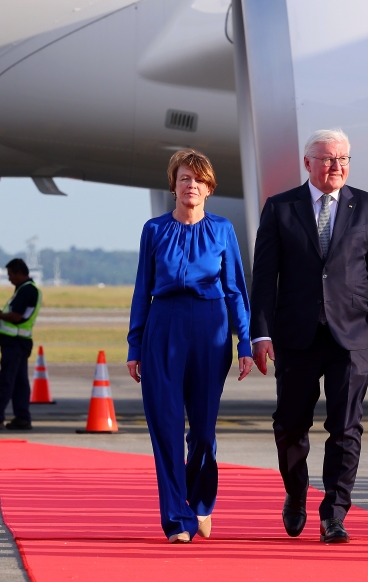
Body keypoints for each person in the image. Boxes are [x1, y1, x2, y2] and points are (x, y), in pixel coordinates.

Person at [250, 129, 368, 544]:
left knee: (346, 427)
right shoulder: (280, 208)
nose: (337, 167)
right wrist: (259, 335)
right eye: (329, 159)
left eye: (344, 159)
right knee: (290, 426)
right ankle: (296, 494)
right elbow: (264, 279)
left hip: (349, 335)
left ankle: (334, 513)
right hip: (296, 334)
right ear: (308, 163)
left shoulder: (367, 206)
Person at [127, 149, 255, 544]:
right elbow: (141, 290)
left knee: (201, 429)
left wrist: (245, 340)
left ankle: (200, 502)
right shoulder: (154, 230)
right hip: (163, 326)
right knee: (164, 427)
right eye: (184, 178)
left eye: (198, 180)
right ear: (174, 185)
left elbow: (235, 289)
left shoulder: (223, 230)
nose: (191, 186)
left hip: (210, 327)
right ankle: (177, 519)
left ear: (209, 187)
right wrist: (135, 345)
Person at [0, 259, 41, 431]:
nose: (9, 279)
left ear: (19, 273)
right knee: (20, 381)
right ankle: (22, 417)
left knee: (7, 380)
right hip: (19, 342)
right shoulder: (25, 289)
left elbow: (16, 317)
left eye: (10, 275)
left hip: (15, 343)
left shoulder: (27, 291)